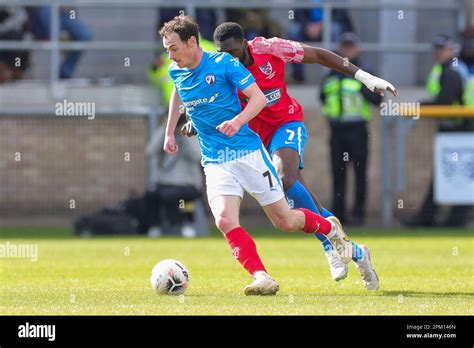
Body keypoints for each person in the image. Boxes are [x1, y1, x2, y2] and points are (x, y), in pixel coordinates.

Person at [180, 20, 393, 290]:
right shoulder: (220, 66)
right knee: (290, 202)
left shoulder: (271, 49)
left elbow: (319, 55)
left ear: (245, 44)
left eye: (233, 52)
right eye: (224, 54)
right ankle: (356, 252)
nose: (229, 59)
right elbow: (200, 96)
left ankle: (329, 243)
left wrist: (364, 76)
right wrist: (189, 120)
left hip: (285, 123)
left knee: (285, 176)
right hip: (254, 139)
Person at [402, 35, 473, 227]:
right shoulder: (452, 69)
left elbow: (445, 102)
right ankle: (446, 217)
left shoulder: (451, 71)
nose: (438, 53)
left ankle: (442, 217)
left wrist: (421, 107)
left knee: (453, 174)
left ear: (452, 50)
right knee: (453, 173)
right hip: (459, 128)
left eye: (442, 49)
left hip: (458, 129)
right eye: (437, 49)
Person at [320, 33, 382, 226]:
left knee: (359, 173)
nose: (347, 51)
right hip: (336, 130)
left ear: (357, 49)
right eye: (344, 47)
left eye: (350, 47)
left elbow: (377, 99)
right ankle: (338, 215)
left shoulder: (365, 73)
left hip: (357, 130)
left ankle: (358, 214)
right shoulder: (331, 73)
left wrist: (361, 86)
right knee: (338, 174)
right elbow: (322, 96)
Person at [30, 6, 92, 78]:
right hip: (41, 17)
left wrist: (72, 15)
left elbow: (72, 10)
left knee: (85, 34)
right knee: (47, 9)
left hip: (63, 15)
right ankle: (59, 37)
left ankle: (65, 73)